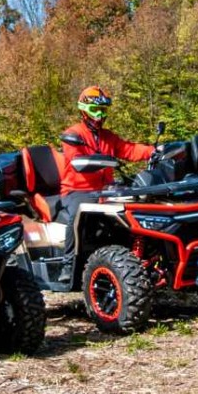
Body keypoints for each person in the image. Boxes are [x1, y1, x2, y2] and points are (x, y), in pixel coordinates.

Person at [55, 86, 155, 282]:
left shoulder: (108, 136)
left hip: (106, 190)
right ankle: (68, 265)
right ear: (83, 110)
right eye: (95, 110)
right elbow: (75, 160)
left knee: (136, 205)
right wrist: (98, 160)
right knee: (76, 215)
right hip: (77, 190)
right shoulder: (74, 134)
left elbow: (129, 149)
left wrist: (153, 150)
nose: (100, 116)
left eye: (103, 111)